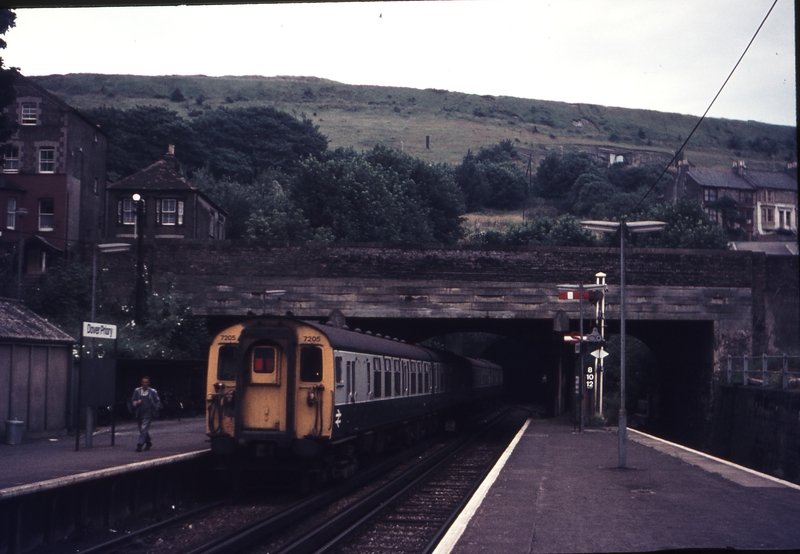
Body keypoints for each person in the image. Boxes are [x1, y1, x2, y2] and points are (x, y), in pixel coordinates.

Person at [131, 376, 161, 452]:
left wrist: (155, 409)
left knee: (144, 428)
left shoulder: (153, 391)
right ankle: (148, 442)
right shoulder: (137, 391)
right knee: (142, 429)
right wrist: (136, 403)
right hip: (139, 413)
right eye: (144, 382)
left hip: (148, 413)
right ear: (141, 383)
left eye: (146, 382)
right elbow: (133, 401)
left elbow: (157, 401)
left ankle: (139, 445)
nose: (145, 384)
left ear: (149, 383)